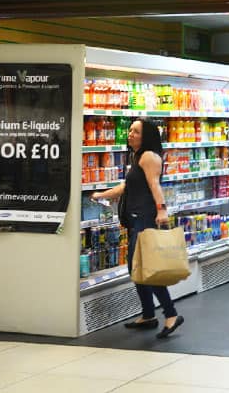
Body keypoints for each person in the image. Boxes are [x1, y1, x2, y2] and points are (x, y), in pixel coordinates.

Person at [92, 118, 185, 338]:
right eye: (130, 130)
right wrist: (100, 195)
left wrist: (161, 210)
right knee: (137, 269)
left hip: (145, 219)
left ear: (146, 137)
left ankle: (171, 314)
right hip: (136, 219)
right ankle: (148, 314)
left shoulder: (149, 157)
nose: (130, 134)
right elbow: (125, 186)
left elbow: (155, 185)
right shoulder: (138, 157)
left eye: (135, 131)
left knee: (147, 268)